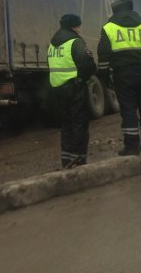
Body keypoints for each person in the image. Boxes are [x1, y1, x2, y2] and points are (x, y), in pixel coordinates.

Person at [96, 0, 141, 155]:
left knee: (128, 109)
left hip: (122, 74)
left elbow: (103, 55)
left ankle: (132, 146)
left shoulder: (109, 28)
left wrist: (105, 77)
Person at [47, 13, 96, 168]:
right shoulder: (75, 42)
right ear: (75, 26)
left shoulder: (53, 43)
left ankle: (66, 159)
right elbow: (86, 65)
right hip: (75, 88)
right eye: (79, 25)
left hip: (57, 89)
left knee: (66, 124)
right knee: (79, 123)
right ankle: (79, 159)